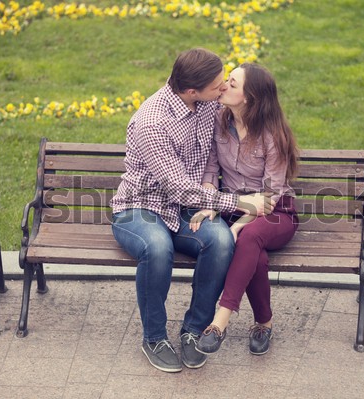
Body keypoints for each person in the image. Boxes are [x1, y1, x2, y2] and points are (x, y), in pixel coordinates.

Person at [111, 48, 276, 373]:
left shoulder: (207, 104)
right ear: (191, 91)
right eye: (217, 85)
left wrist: (210, 195)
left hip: (188, 207)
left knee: (221, 241)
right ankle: (154, 338)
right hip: (140, 207)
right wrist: (242, 203)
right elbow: (179, 188)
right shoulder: (152, 122)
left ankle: (194, 329)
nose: (222, 90)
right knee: (157, 247)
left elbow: (208, 159)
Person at [191, 62, 300, 356]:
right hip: (233, 207)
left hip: (276, 212)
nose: (224, 85)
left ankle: (219, 323)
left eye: (233, 83)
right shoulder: (219, 120)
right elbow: (211, 170)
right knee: (256, 257)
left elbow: (270, 195)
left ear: (249, 98)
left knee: (248, 237)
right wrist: (210, 205)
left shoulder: (272, 135)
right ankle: (264, 323)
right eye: (227, 80)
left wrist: (238, 225)